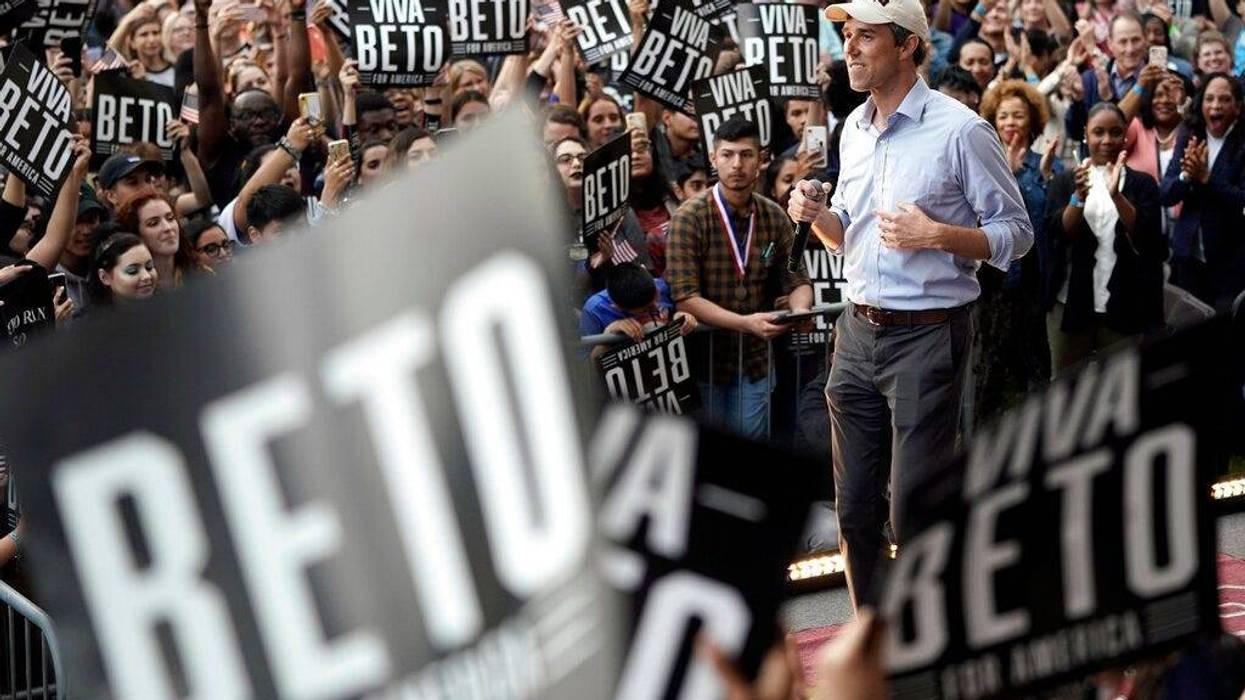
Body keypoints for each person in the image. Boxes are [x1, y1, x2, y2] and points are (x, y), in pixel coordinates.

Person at [788, 0, 1032, 606]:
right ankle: (873, 642)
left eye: (865, 36)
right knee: (854, 509)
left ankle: (930, 639)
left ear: (906, 46)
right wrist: (818, 217)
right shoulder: (854, 128)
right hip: (856, 330)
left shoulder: (962, 130)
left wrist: (940, 236)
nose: (849, 47)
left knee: (916, 510)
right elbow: (848, 233)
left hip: (928, 334)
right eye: (847, 34)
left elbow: (1017, 234)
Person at [666, 117, 813, 439]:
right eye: (728, 155)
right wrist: (744, 323)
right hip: (705, 361)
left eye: (746, 155)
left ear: (761, 160)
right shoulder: (689, 217)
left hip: (756, 362)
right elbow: (685, 296)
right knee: (712, 459)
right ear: (713, 159)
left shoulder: (773, 214)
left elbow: (798, 279)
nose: (737, 164)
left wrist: (802, 311)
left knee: (751, 458)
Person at [1044, 102, 1165, 372]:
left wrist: (1116, 196)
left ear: (1125, 136)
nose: (1107, 140)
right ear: (1086, 134)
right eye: (1098, 132)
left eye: (1115, 132)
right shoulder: (1065, 181)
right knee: (1066, 389)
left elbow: (1148, 240)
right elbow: (1058, 235)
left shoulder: (1142, 183)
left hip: (1125, 306)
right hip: (1071, 303)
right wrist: (1078, 199)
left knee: (1122, 388)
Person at [976, 80, 1062, 421]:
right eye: (1004, 115)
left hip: (1034, 283)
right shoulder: (984, 161)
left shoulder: (1048, 164)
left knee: (1036, 369)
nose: (1010, 122)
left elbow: (1048, 221)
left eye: (1018, 115)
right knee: (988, 374)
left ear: (1033, 121)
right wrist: (1006, 176)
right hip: (994, 283)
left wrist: (1043, 179)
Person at [1160, 72, 1245, 311]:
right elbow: (1166, 194)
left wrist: (1207, 179)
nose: (1215, 106)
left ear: (1237, 107)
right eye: (1209, 99)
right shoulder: (1190, 133)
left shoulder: (1241, 143)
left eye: (1224, 99)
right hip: (1188, 259)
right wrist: (1187, 175)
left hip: (1230, 266)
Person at [579, 262, 696, 359]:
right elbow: (586, 369)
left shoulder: (662, 285)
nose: (656, 306)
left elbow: (683, 312)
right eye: (647, 309)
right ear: (617, 307)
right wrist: (607, 337)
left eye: (657, 296)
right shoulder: (594, 310)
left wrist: (682, 315)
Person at [115, 190, 202, 289]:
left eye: (170, 218)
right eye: (153, 223)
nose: (167, 228)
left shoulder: (203, 276)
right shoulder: (132, 291)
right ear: (135, 234)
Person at [88, 233, 159, 304]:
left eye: (149, 267)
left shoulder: (167, 309)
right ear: (104, 277)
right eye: (132, 271)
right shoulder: (92, 314)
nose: (146, 276)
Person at [96, 153, 166, 211]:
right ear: (111, 196)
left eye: (148, 180)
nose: (146, 188)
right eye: (133, 183)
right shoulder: (107, 227)